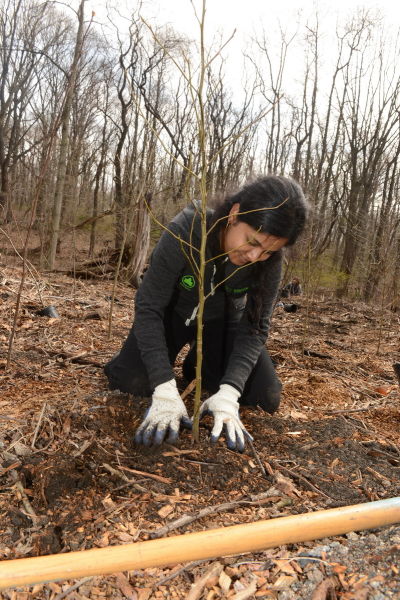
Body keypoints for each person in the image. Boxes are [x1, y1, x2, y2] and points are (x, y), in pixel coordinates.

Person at [105, 175, 308, 451]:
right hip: (172, 316)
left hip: (222, 323)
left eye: (267, 251)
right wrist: (164, 387)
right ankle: (160, 367)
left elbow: (255, 327)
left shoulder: (269, 259)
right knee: (132, 381)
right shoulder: (187, 229)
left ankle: (197, 365)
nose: (254, 256)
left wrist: (230, 392)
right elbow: (149, 306)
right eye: (251, 241)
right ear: (235, 213)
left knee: (265, 395)